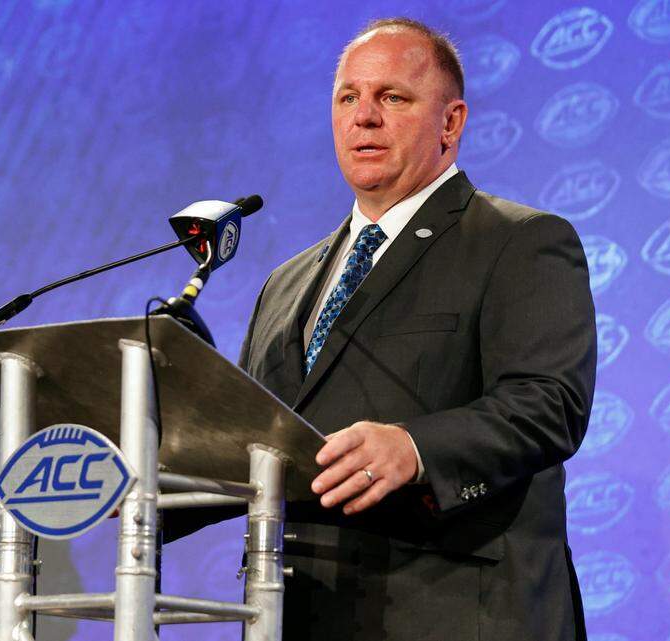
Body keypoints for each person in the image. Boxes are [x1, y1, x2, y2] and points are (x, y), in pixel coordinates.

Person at [172, 17, 597, 641]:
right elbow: (259, 445)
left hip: (453, 611)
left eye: (391, 97)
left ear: (450, 122)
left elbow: (547, 405)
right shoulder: (286, 283)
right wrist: (141, 484)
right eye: (348, 97)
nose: (363, 117)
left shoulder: (518, 242)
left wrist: (415, 446)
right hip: (296, 613)